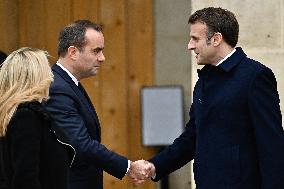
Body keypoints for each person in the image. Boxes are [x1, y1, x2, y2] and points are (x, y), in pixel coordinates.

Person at [142, 7, 284, 189]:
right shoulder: (204, 80)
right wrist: (155, 165)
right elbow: (192, 137)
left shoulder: (255, 76)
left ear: (216, 39)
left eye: (195, 39)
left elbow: (271, 145)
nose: (190, 45)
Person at [44, 20, 151, 189]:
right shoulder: (57, 88)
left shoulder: (68, 84)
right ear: (72, 52)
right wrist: (129, 167)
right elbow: (81, 144)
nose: (102, 58)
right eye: (96, 51)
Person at [0, 47, 74, 189]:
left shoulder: (27, 114)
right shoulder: (25, 117)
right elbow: (25, 178)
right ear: (35, 76)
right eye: (47, 71)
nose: (51, 77)